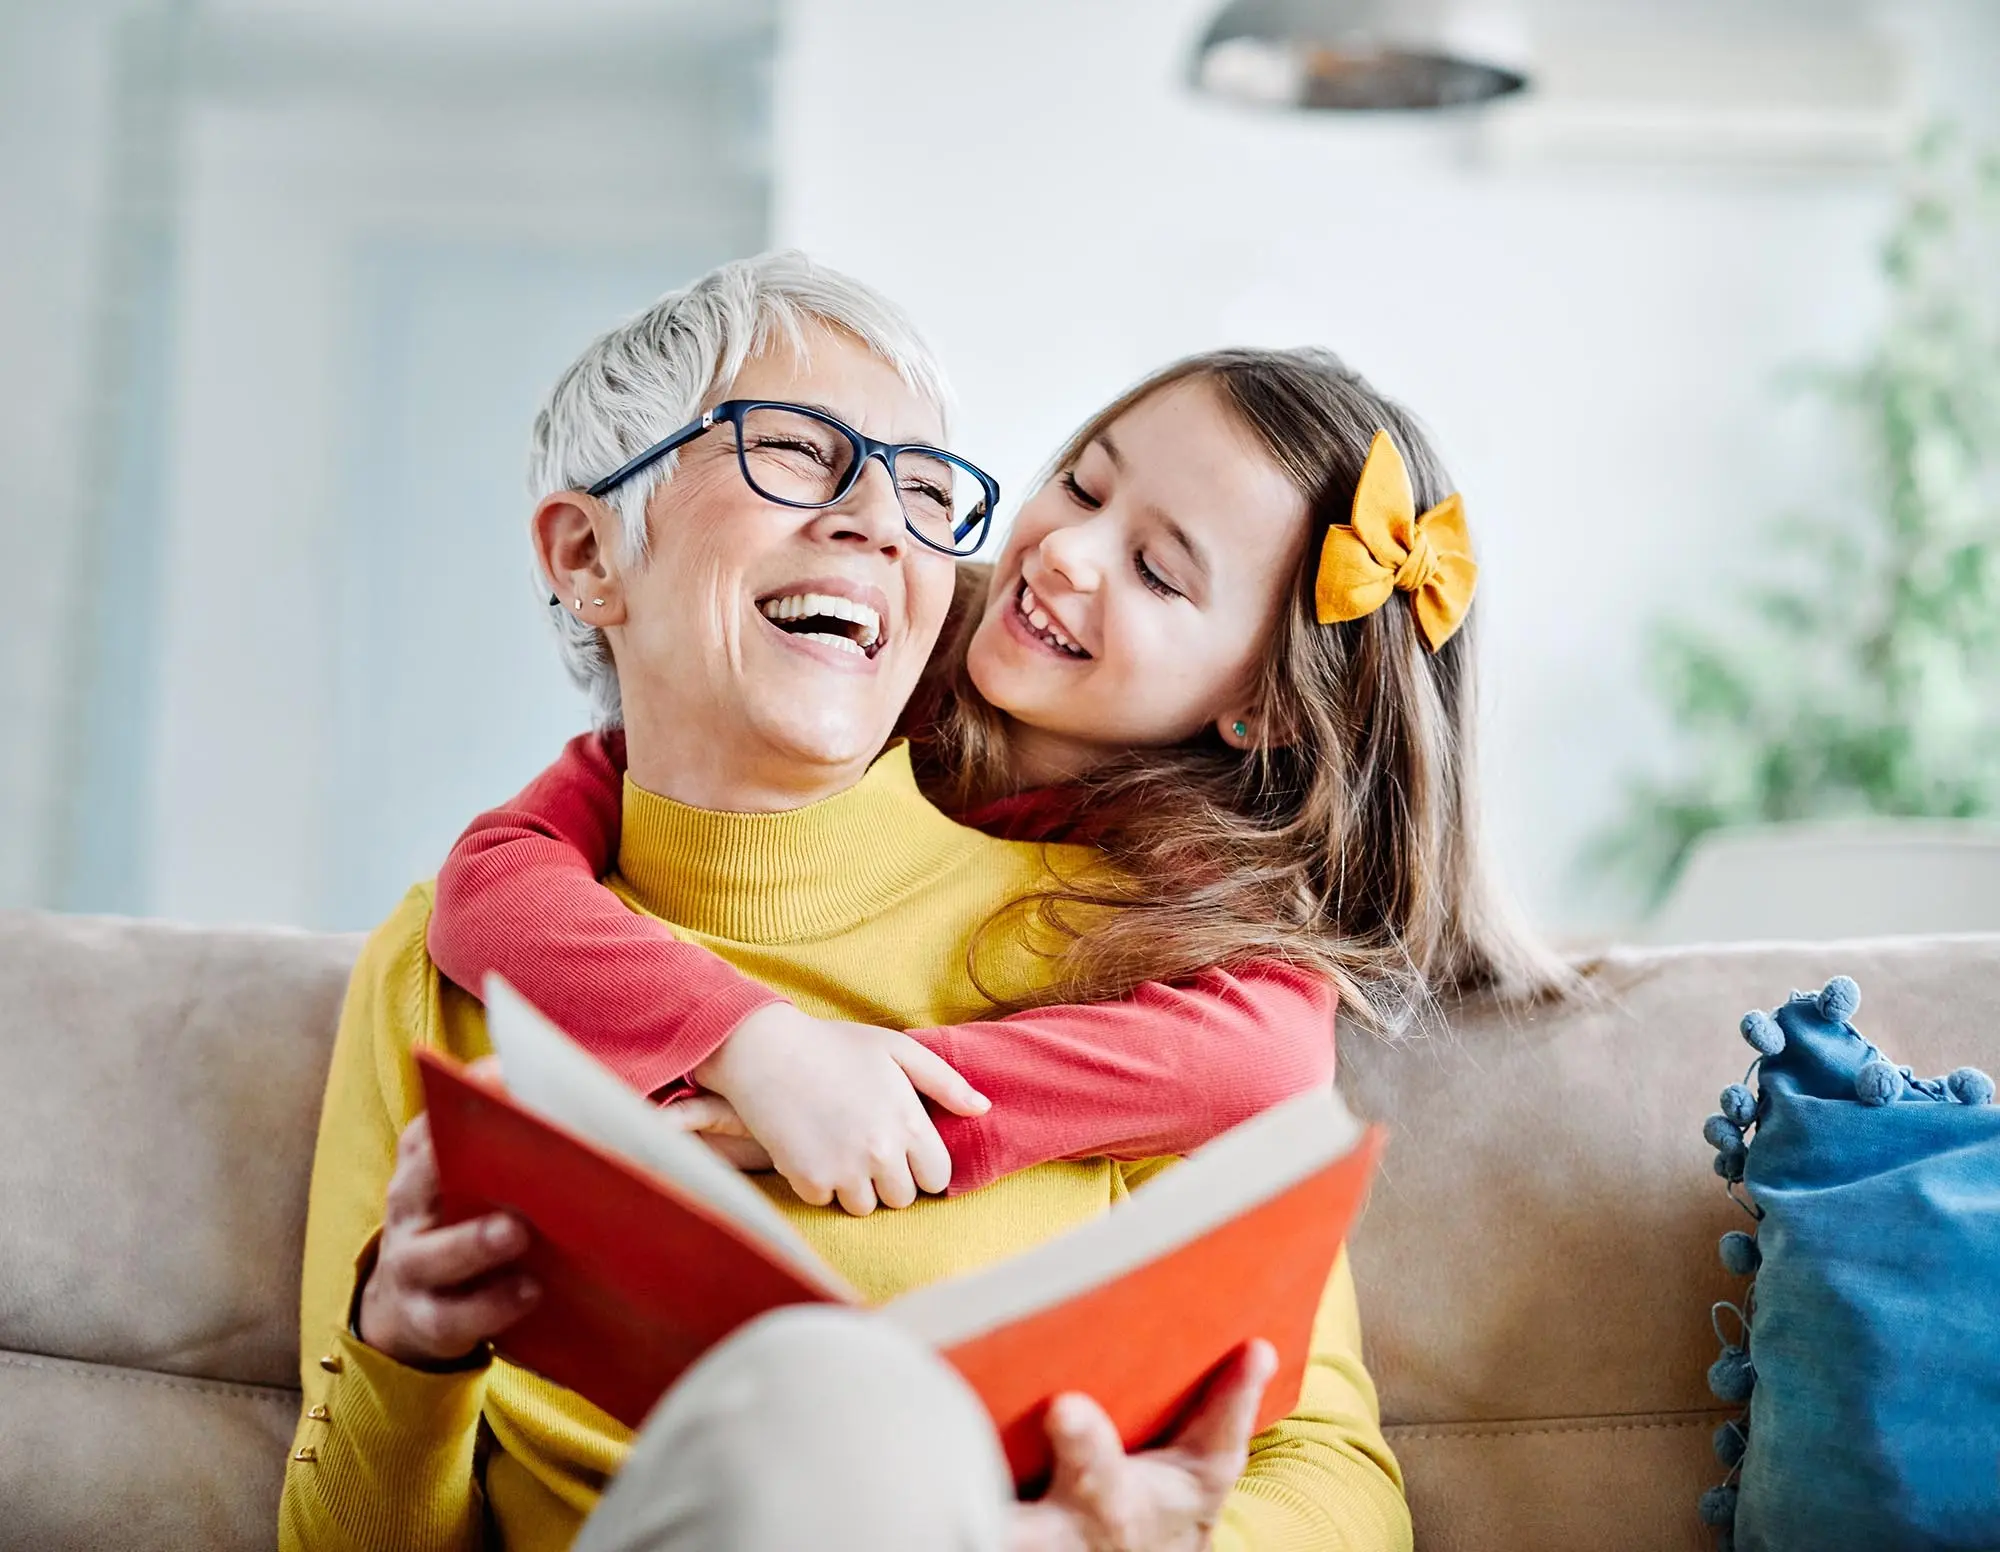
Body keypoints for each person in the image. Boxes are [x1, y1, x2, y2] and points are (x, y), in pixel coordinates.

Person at [279, 253, 1419, 1552]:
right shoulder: (447, 967)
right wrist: (405, 1358)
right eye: (800, 456)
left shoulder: (1150, 963)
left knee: (840, 1398)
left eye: (925, 488)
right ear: (588, 553)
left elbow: (1341, 1489)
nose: (879, 518)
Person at [422, 344, 1563, 1217]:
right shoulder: (866, 650)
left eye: (1155, 571)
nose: (1067, 550)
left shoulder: (1187, 876)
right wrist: (755, 1044)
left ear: (1259, 705)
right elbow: (491, 881)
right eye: (1081, 484)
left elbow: (1264, 1054)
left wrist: (870, 1105)